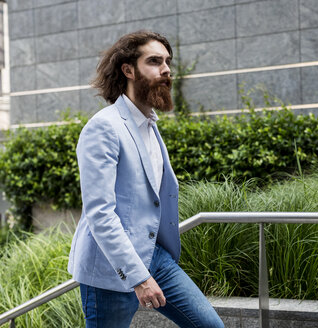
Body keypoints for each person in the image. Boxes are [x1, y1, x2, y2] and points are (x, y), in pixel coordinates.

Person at [68, 30, 224, 328]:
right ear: (128, 69)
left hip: (155, 256)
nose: (166, 69)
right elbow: (100, 213)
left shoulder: (149, 124)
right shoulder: (104, 127)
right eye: (154, 61)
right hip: (110, 270)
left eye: (168, 61)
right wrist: (139, 277)